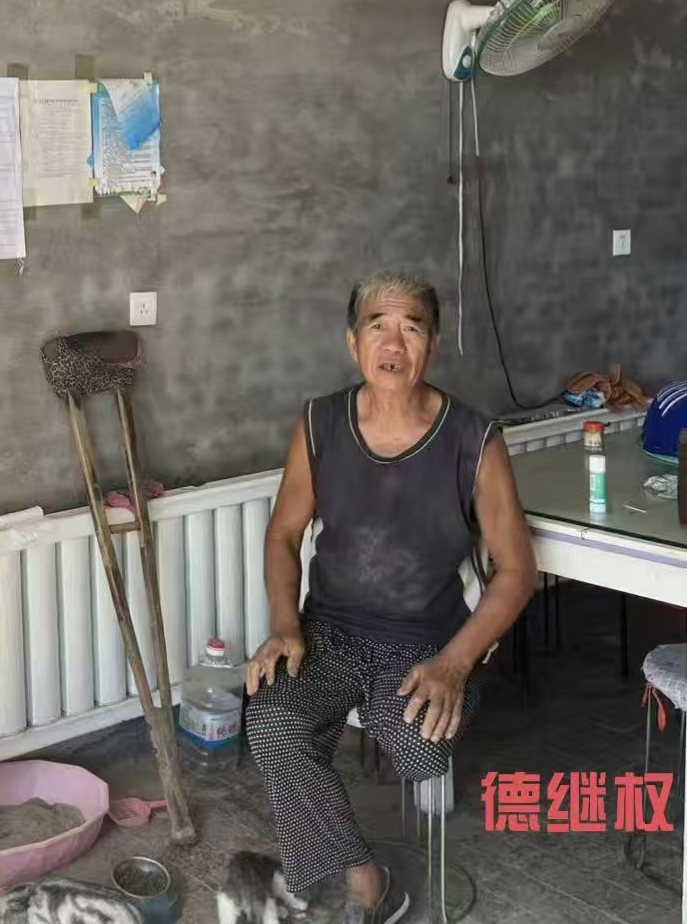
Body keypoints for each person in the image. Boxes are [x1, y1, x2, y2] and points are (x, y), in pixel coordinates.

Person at [245, 271, 536, 924]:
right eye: (378, 326)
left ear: (432, 344)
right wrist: (285, 625)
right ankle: (366, 878)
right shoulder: (320, 423)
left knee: (419, 745)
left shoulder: (474, 438)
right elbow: (284, 533)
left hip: (427, 643)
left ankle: (341, 837)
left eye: (412, 327)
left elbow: (518, 571)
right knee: (272, 718)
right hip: (328, 634)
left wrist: (455, 664)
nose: (394, 343)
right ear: (353, 343)